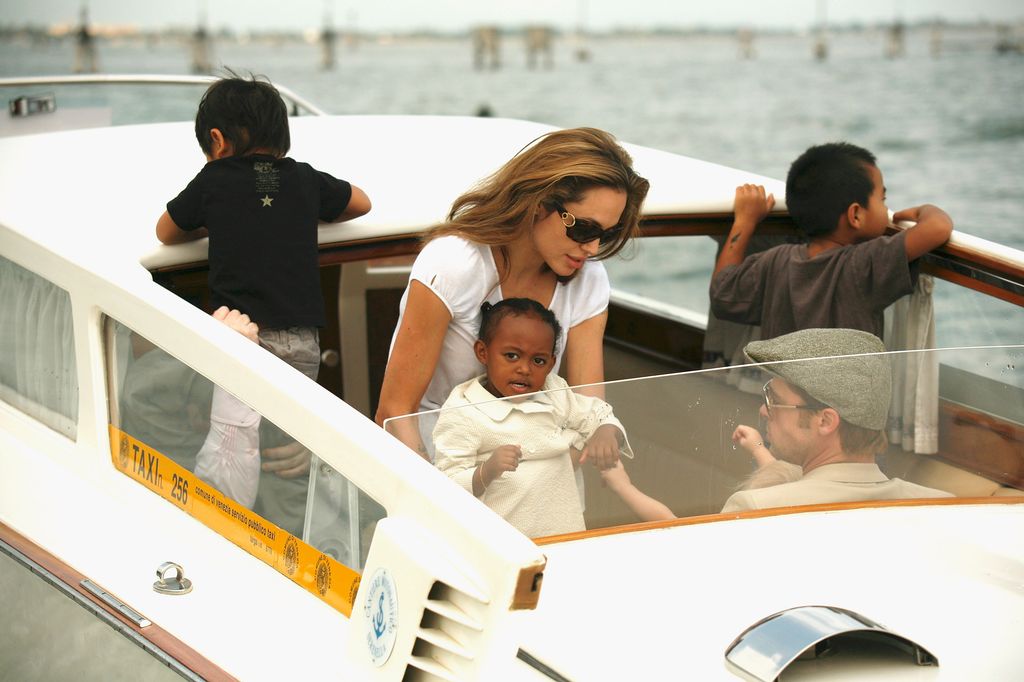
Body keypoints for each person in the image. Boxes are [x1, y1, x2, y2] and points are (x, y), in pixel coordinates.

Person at [375, 127, 649, 463]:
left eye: (607, 234)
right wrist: (438, 493)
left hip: (537, 466)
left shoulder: (589, 280)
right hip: (444, 463)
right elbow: (395, 411)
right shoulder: (454, 263)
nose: (592, 247)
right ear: (539, 204)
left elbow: (589, 410)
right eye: (584, 228)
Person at [600, 328, 951, 520]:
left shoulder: (757, 510)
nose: (764, 411)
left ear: (825, 421)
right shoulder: (939, 506)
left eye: (773, 399)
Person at [155, 72, 371, 384]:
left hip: (243, 334)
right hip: (303, 341)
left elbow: (165, 232)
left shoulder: (213, 180)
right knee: (294, 420)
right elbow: (362, 203)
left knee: (243, 422)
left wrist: (206, 226)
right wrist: (304, 209)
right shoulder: (303, 178)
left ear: (216, 140)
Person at [710, 142, 953, 341]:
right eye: (882, 198)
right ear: (855, 215)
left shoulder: (776, 261)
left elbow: (722, 293)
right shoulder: (864, 263)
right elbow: (938, 227)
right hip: (844, 403)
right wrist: (923, 210)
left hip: (778, 399)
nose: (887, 208)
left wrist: (745, 221)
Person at [432, 298, 632, 538]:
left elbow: (598, 413)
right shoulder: (464, 410)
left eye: (538, 361)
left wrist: (606, 431)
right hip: (500, 543)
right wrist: (486, 470)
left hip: (564, 534)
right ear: (483, 352)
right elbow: (446, 483)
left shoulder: (554, 391)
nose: (525, 369)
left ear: (551, 364)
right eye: (511, 356)